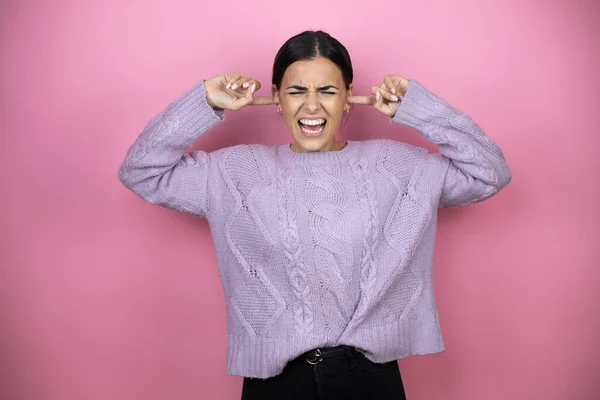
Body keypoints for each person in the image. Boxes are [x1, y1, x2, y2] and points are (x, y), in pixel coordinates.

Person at [118, 30, 511, 400]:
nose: (311, 105)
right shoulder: (232, 173)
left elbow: (489, 173)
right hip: (274, 382)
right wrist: (204, 100)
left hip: (369, 377)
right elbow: (141, 171)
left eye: (327, 91)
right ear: (276, 98)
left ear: (348, 96)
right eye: (295, 91)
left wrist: (420, 109)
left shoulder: (398, 166)